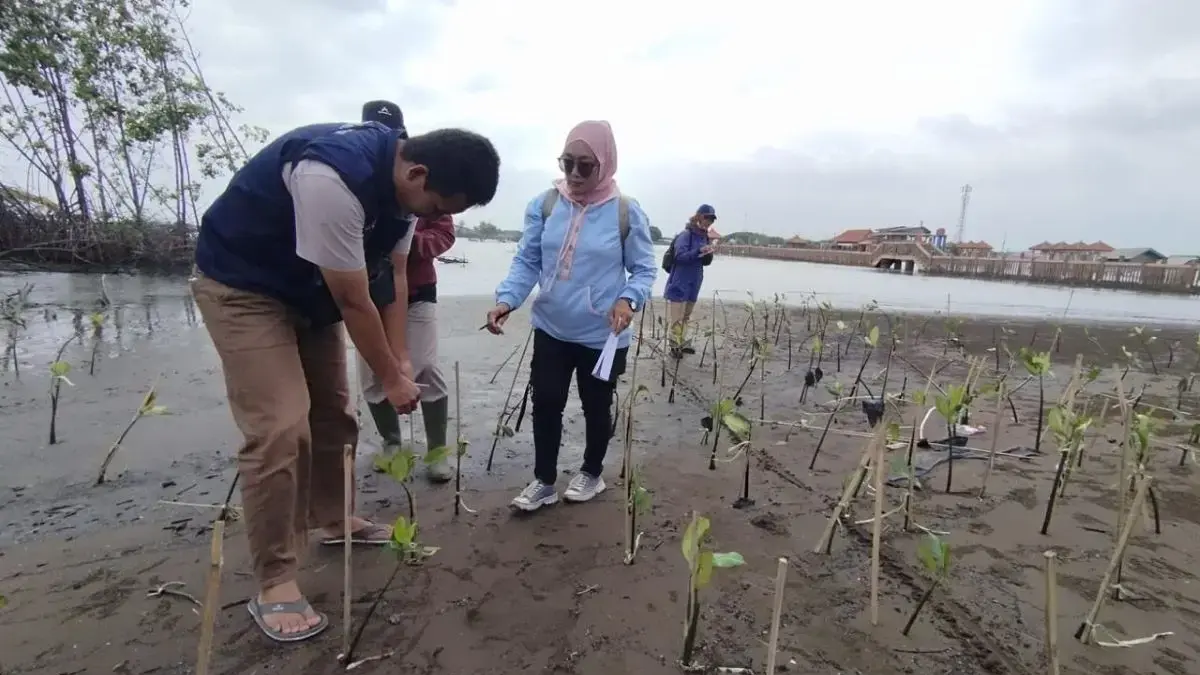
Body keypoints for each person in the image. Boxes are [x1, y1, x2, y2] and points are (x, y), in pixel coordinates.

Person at [192, 120, 499, 642]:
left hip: (309, 296)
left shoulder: (406, 197)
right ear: (417, 171)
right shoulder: (329, 177)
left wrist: (399, 357)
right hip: (244, 288)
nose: (433, 219)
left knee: (335, 412)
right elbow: (354, 299)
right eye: (435, 208)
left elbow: (397, 277)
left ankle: (334, 519)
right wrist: (389, 378)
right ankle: (276, 580)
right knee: (281, 428)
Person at [485, 120, 657, 512]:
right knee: (546, 401)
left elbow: (645, 269)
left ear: (606, 164)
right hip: (552, 327)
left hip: (603, 334)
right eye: (568, 164)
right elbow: (528, 261)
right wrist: (507, 300)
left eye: (586, 166)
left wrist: (628, 300)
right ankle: (544, 481)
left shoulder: (626, 212)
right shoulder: (545, 206)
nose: (575, 175)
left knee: (596, 406)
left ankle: (591, 473)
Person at [354, 100, 455, 482]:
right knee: (371, 374)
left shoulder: (423, 180)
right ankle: (392, 442)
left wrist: (406, 243)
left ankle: (436, 452)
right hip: (369, 295)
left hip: (417, 290)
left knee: (425, 365)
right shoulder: (358, 178)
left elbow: (444, 233)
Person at [663, 205, 717, 356]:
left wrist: (708, 254)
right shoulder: (686, 235)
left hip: (695, 280)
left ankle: (681, 341)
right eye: (707, 217)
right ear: (698, 217)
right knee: (677, 317)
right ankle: (674, 345)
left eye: (711, 219)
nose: (709, 221)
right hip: (680, 280)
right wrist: (698, 251)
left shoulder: (704, 237)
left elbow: (705, 262)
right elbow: (679, 257)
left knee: (686, 315)